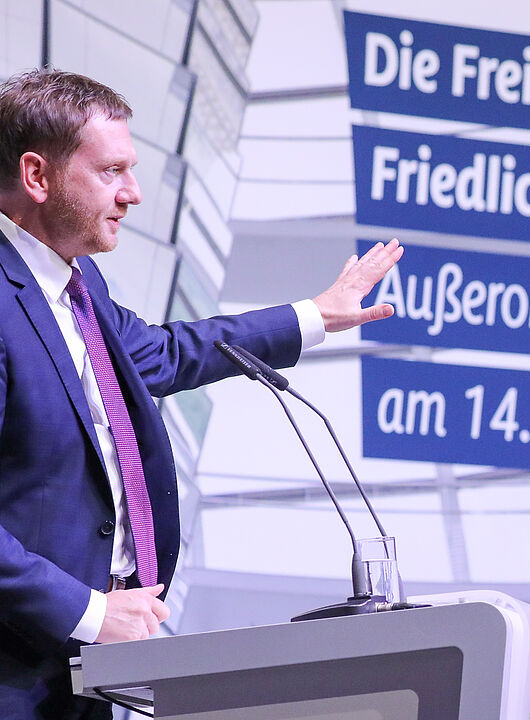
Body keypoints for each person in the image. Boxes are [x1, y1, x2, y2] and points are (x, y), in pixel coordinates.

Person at [0, 68, 403, 719]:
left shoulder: (80, 287)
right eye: (111, 171)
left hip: (78, 668)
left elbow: (159, 353)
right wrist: (92, 610)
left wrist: (315, 315)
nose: (132, 193)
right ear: (37, 176)